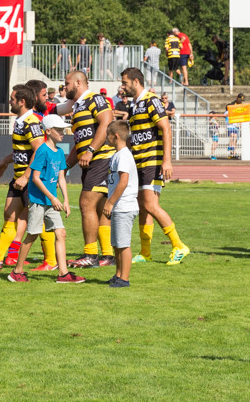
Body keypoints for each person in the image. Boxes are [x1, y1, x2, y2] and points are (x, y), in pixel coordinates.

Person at [121, 67, 189, 264]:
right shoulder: (134, 105)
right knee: (143, 207)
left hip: (153, 161)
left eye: (125, 82)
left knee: (151, 204)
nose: (122, 87)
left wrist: (166, 161)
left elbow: (165, 127)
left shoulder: (151, 100)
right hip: (139, 162)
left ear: (135, 82)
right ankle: (145, 252)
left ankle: (178, 245)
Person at [6, 114, 83, 283]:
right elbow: (35, 178)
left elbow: (61, 178)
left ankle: (63, 274)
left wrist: (66, 201)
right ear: (48, 131)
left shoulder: (60, 152)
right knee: (32, 234)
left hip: (51, 201)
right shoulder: (42, 151)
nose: (63, 132)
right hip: (39, 201)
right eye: (59, 130)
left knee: (61, 233)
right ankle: (17, 271)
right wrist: (52, 198)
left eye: (63, 129)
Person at [0, 85, 44, 270]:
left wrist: (27, 176)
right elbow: (22, 150)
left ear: (22, 102)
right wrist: (5, 161)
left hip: (30, 179)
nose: (9, 101)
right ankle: (6, 256)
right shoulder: (21, 121)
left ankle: (52, 261)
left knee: (39, 219)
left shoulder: (31, 121)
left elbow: (40, 150)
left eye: (12, 98)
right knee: (11, 214)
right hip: (19, 177)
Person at [55, 70, 114, 268]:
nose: (65, 88)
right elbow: (79, 143)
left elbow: (107, 122)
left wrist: (90, 150)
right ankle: (108, 255)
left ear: (78, 83)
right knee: (99, 207)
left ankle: (90, 255)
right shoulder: (78, 106)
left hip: (101, 158)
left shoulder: (94, 99)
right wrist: (65, 166)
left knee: (86, 203)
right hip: (92, 159)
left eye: (67, 84)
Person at [102, 120, 139, 287]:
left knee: (123, 244)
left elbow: (123, 182)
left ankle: (124, 278)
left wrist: (110, 203)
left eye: (107, 135)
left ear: (115, 136)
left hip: (124, 206)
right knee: (116, 244)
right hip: (118, 207)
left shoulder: (124, 155)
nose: (106, 138)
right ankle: (118, 274)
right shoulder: (117, 155)